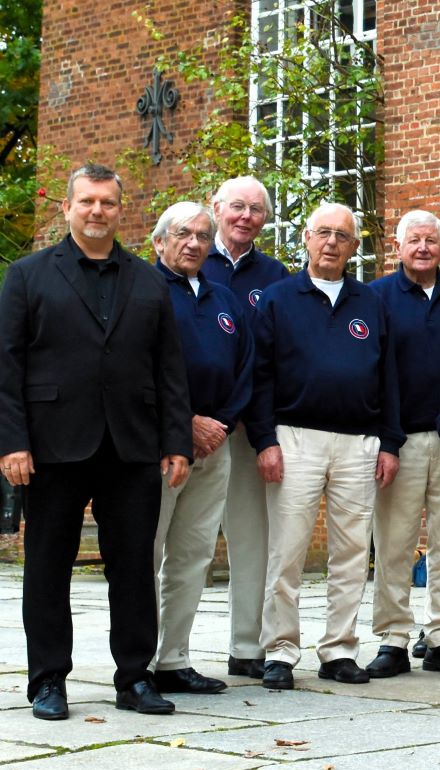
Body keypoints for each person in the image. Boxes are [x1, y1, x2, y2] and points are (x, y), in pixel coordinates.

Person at [1, 164, 192, 720]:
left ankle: (134, 677)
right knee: (47, 565)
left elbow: (170, 368)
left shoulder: (149, 279)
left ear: (120, 209)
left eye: (108, 203)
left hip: (132, 445)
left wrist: (175, 440)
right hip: (52, 444)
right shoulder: (28, 275)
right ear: (67, 208)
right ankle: (47, 680)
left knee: (134, 565)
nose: (97, 211)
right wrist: (12, 441)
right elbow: (7, 366)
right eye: (87, 201)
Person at [249, 202, 404, 691]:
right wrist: (264, 440)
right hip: (295, 438)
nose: (332, 242)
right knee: (287, 551)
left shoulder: (371, 303)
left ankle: (339, 649)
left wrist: (390, 443)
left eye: (342, 236)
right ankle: (279, 650)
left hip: (360, 441)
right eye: (323, 233)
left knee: (353, 552)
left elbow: (389, 379)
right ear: (306, 238)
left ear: (355, 247)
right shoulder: (277, 299)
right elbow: (260, 375)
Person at [367, 210, 440, 679]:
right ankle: (393, 637)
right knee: (394, 541)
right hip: (400, 439)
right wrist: (384, 440)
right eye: (414, 240)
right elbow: (372, 372)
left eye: (431, 240)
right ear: (398, 247)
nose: (423, 248)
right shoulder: (376, 298)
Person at [150, 201, 253, 696]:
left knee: (193, 556)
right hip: (159, 446)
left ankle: (175, 659)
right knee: (147, 555)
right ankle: (140, 660)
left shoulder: (222, 300)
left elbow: (246, 367)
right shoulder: (143, 292)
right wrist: (186, 423)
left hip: (217, 448)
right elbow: (134, 370)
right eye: (183, 233)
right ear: (159, 242)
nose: (193, 242)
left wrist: (222, 424)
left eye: (202, 235)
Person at [201, 175, 290, 681]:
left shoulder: (274, 275)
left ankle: (246, 645)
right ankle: (165, 650)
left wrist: (265, 434)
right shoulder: (186, 258)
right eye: (237, 206)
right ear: (217, 207)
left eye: (257, 209)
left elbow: (270, 360)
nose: (246, 217)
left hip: (249, 428)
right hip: (193, 427)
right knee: (175, 541)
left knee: (251, 538)